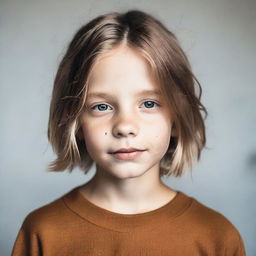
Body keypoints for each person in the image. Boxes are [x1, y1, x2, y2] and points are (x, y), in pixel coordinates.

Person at [12, 9, 246, 255]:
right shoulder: (42, 232)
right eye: (101, 106)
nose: (125, 126)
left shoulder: (217, 236)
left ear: (177, 118)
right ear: (75, 121)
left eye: (149, 104)